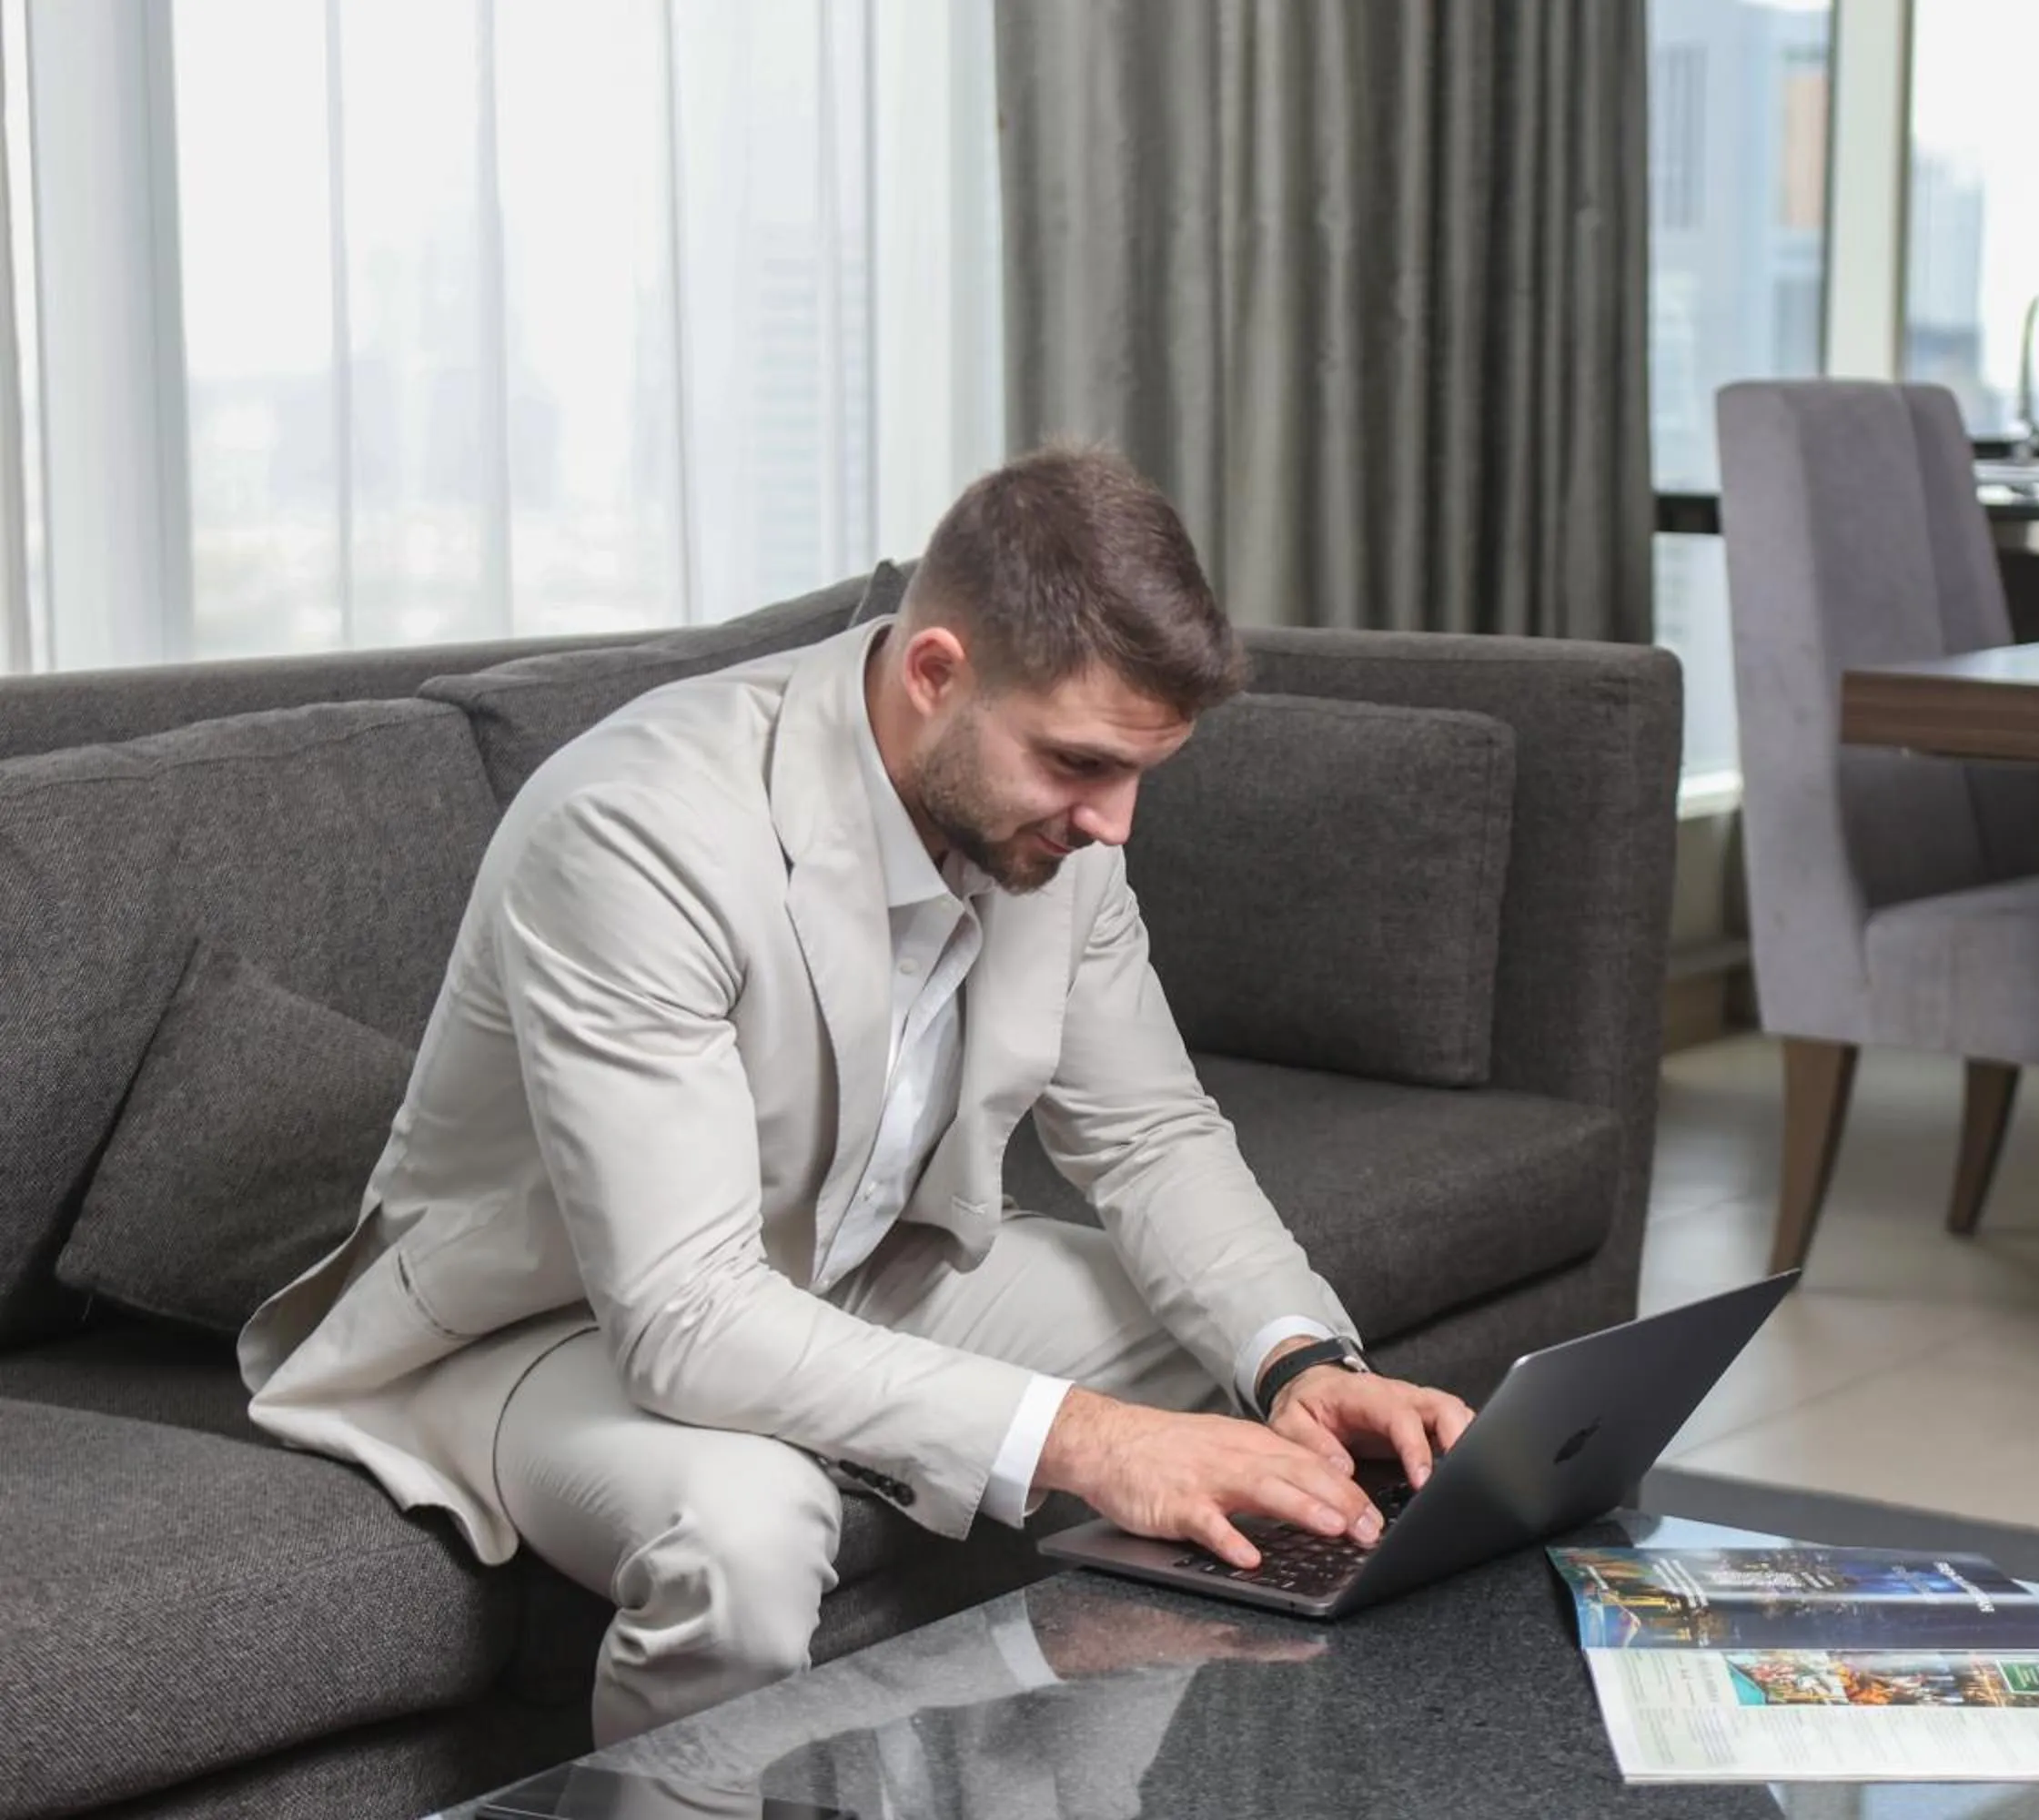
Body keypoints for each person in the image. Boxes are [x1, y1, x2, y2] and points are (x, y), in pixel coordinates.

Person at [238, 444, 1473, 1743]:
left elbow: (1152, 1133)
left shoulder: (1060, 832)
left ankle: (1060, 1790)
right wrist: (1093, 1444)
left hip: (842, 1261)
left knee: (1199, 1364)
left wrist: (1298, 1359)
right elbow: (684, 1316)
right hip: (544, 1327)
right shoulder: (638, 832)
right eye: (1079, 764)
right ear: (936, 672)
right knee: (748, 1527)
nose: (1115, 824)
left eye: (1137, 773)